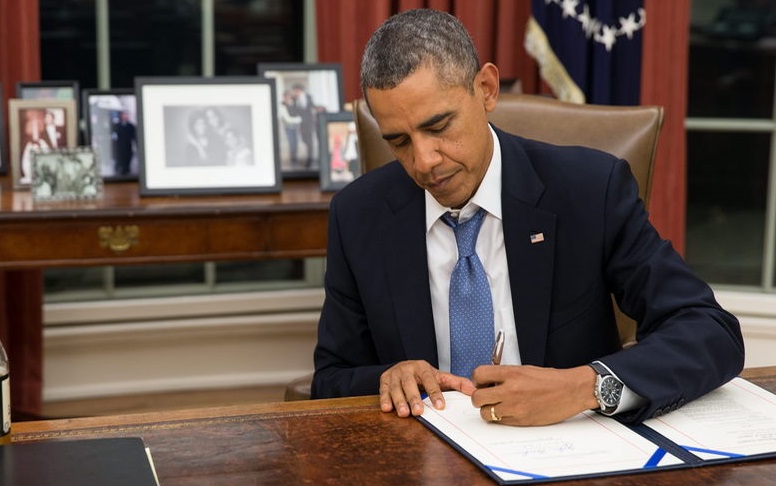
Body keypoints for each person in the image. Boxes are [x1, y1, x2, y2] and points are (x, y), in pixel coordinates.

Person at [311, 9, 744, 426]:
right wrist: (387, 378)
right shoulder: (358, 215)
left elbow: (710, 332)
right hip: (424, 460)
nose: (424, 162)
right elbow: (330, 379)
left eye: (439, 126)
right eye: (399, 141)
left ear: (486, 89)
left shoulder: (589, 190)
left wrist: (585, 386)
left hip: (567, 454)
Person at [112, 110, 137, 176]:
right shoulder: (117, 125)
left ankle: (126, 169)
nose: (125, 116)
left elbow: (134, 136)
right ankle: (120, 169)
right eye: (123, 115)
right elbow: (114, 135)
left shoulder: (131, 126)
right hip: (120, 146)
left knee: (127, 158)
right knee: (120, 157)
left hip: (128, 145)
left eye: (126, 115)